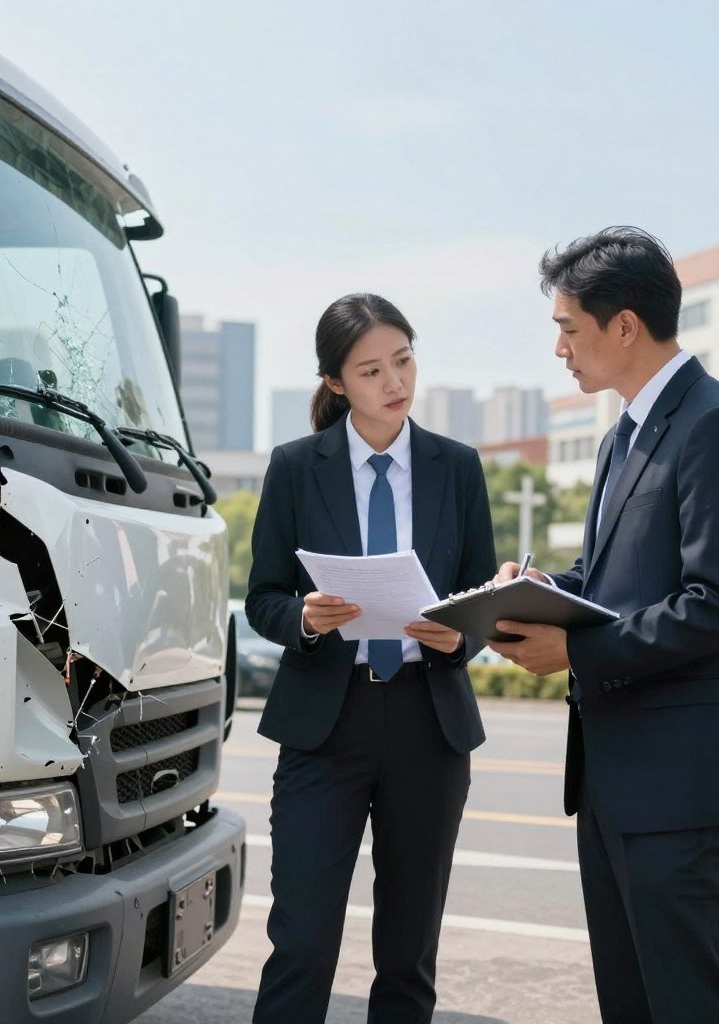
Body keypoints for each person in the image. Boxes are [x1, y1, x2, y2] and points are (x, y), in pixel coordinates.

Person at [489, 227, 719, 1024]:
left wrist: (576, 650)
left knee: (691, 1007)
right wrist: (541, 591)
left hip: (683, 786)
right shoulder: (623, 432)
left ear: (624, 325)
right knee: (630, 1005)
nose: (559, 350)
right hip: (617, 780)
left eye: (567, 329)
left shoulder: (717, 425)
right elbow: (612, 581)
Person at [246, 293, 497, 1024]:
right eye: (371, 370)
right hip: (326, 724)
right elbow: (263, 597)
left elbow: (480, 596)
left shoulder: (458, 466)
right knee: (301, 940)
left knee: (409, 952)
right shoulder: (296, 467)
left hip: (430, 723)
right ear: (334, 384)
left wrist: (461, 637)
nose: (395, 382)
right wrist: (305, 617)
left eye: (404, 360)